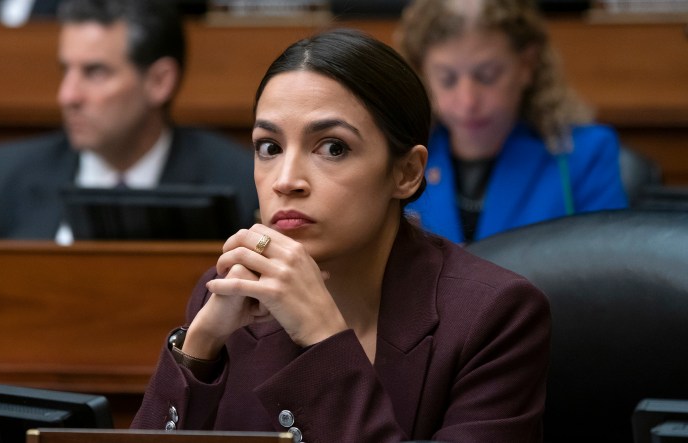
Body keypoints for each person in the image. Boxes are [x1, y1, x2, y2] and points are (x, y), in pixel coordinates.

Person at [132, 29, 550, 442]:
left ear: (406, 173)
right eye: (269, 147)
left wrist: (324, 340)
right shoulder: (225, 293)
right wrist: (198, 349)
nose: (286, 180)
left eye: (333, 147)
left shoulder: (493, 317)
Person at [0, 0, 258, 242]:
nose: (68, 96)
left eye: (95, 72)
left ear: (159, 81)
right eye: (66, 71)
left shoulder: (242, 185)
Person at [395, 0, 628, 244]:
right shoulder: (401, 154)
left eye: (487, 76)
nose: (467, 102)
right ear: (422, 73)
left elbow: (605, 271)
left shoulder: (585, 154)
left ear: (527, 65)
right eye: (447, 79)